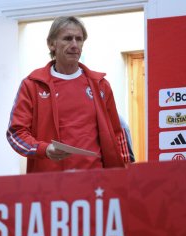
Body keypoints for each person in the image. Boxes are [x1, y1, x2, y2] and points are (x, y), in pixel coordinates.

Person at [7, 16, 132, 173]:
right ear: (52, 44)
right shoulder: (32, 85)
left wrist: (125, 168)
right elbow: (16, 134)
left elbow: (117, 132)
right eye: (67, 38)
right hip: (49, 183)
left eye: (79, 39)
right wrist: (44, 149)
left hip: (96, 180)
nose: (74, 45)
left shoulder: (100, 85)